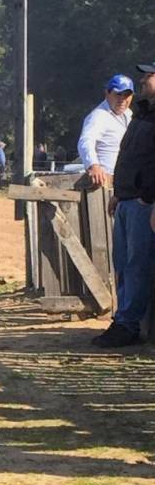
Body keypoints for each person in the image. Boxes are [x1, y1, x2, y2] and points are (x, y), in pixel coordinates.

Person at [92, 64, 155, 347]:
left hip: (142, 203)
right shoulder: (141, 114)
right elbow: (128, 155)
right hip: (127, 200)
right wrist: (119, 192)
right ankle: (122, 320)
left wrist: (149, 198)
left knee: (137, 265)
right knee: (123, 265)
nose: (144, 80)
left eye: (149, 76)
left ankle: (128, 325)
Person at [77, 73, 135, 187]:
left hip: (125, 182)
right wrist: (93, 165)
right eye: (118, 94)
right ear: (107, 93)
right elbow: (85, 141)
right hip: (104, 183)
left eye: (127, 94)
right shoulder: (98, 116)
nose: (123, 99)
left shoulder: (129, 114)